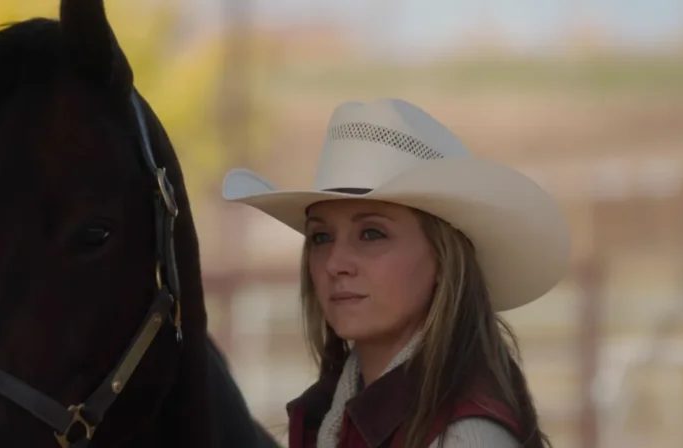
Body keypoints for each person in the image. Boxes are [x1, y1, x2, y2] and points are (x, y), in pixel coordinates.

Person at [221, 98, 570, 448]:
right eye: (321, 237)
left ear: (443, 259)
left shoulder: (464, 437)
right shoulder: (333, 416)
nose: (334, 263)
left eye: (372, 233)